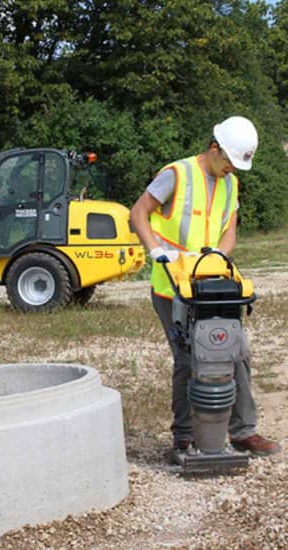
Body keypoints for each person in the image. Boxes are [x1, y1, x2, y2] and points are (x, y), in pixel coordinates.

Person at [130, 116, 281, 456]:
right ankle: (184, 436)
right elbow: (138, 213)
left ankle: (243, 431)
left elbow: (230, 231)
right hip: (172, 286)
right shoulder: (176, 174)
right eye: (229, 161)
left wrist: (217, 255)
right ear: (214, 149)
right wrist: (157, 252)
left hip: (211, 285)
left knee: (236, 350)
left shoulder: (230, 183)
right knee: (188, 356)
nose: (232, 169)